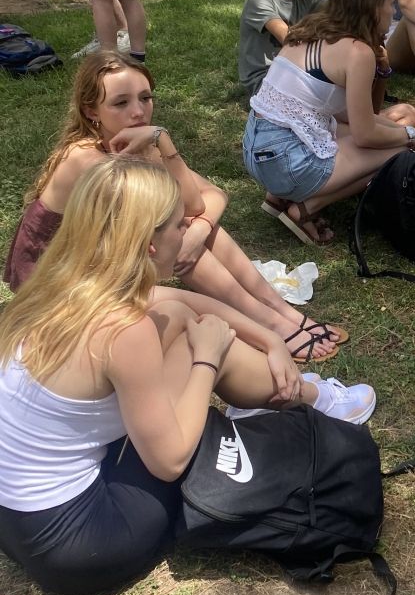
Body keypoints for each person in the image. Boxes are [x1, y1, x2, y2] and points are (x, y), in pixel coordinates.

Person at [0, 157, 377, 595]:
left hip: (13, 523)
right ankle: (312, 398)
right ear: (149, 246)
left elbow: (170, 299)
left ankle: (293, 393)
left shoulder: (56, 289)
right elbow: (170, 462)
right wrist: (208, 361)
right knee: (186, 338)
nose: (188, 233)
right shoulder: (125, 331)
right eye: (179, 225)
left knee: (177, 317)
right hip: (83, 541)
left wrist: (271, 339)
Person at [3, 52, 345, 362]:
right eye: (120, 103)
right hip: (55, 281)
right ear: (92, 111)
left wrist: (162, 144)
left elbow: (210, 197)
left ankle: (280, 311)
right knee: (178, 239)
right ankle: (273, 323)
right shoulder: (86, 159)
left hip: (102, 255)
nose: (138, 112)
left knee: (193, 230)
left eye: (145, 98)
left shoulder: (139, 141)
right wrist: (192, 227)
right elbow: (175, 216)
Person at [243, 0, 415, 241]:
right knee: (405, 151)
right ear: (372, 7)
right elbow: (365, 134)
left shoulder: (309, 29)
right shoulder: (357, 52)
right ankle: (305, 208)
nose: (393, 12)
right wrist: (413, 135)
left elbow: (355, 116)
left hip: (254, 150)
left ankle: (278, 198)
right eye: (389, 4)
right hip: (287, 163)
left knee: (398, 124)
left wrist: (383, 71)